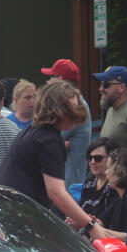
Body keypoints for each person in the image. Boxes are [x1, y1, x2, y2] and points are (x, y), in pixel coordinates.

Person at [0, 80, 99, 239]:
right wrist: (91, 226)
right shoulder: (49, 140)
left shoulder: (35, 130)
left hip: (3, 210)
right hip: (13, 216)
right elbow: (56, 193)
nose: (78, 111)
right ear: (61, 109)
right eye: (74, 106)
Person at [41, 59, 92, 188]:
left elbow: (44, 137)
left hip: (70, 184)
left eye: (50, 77)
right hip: (65, 181)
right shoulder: (77, 102)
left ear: (59, 79)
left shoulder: (75, 105)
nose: (47, 82)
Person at [79, 137, 119, 218]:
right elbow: (81, 208)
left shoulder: (115, 185)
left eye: (98, 158)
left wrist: (83, 222)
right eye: (90, 158)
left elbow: (108, 219)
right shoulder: (89, 181)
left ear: (111, 158)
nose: (92, 162)